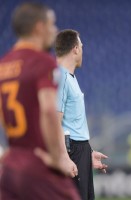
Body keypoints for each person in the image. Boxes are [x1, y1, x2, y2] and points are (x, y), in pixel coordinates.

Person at [0, 2, 80, 200]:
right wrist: (56, 157)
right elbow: (48, 111)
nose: (54, 31)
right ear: (39, 27)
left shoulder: (4, 65)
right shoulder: (42, 62)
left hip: (10, 165)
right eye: (51, 25)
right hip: (38, 164)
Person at [55, 29, 108, 200]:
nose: (83, 50)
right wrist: (65, 157)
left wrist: (88, 152)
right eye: (82, 46)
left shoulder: (69, 77)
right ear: (75, 49)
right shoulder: (61, 77)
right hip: (71, 151)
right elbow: (55, 121)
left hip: (79, 149)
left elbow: (72, 122)